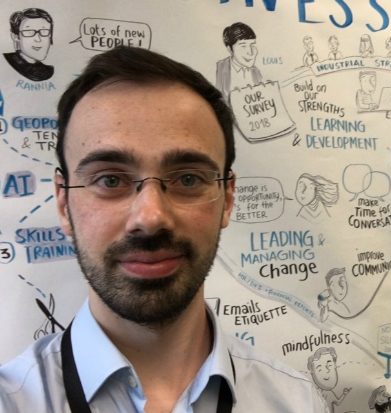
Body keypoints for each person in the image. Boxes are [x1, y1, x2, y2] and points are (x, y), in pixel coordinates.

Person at [0, 46, 328, 413]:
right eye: (110, 179)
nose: (151, 217)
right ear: (63, 203)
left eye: (188, 178)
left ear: (228, 197)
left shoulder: (297, 402)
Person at [215, 22, 263, 102]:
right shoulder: (219, 68)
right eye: (243, 46)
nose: (250, 52)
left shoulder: (256, 72)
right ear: (230, 49)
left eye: (252, 44)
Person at [3, 8, 54, 81]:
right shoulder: (6, 62)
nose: (38, 39)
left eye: (44, 31)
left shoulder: (48, 71)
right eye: (29, 32)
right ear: (15, 37)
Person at [307, 347, 351, 413]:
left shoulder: (328, 392)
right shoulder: (314, 392)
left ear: (335, 366)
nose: (327, 371)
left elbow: (337, 402)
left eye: (330, 365)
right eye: (320, 369)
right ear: (312, 372)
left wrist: (344, 394)